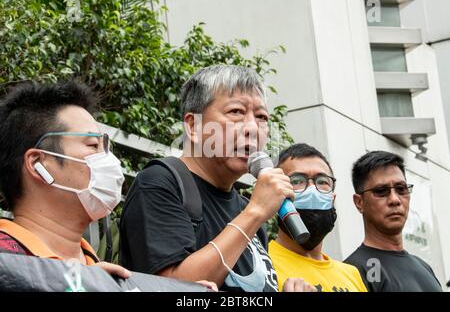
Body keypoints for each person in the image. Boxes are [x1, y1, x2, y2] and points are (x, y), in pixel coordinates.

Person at [120, 65, 316, 292]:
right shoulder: (159, 183)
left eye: (261, 117)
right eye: (236, 112)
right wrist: (255, 213)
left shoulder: (245, 207)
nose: (253, 127)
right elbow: (173, 288)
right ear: (193, 125)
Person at [0, 81, 133, 279]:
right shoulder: (6, 260)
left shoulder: (101, 270)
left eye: (105, 148)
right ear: (39, 163)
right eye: (93, 145)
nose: (109, 160)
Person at [268, 143, 367, 292]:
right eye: (297, 181)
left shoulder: (351, 274)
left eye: (322, 181)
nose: (313, 190)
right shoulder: (260, 264)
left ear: (332, 199)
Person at [344, 151, 442, 292]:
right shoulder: (354, 271)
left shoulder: (424, 267)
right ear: (359, 202)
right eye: (381, 191)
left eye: (401, 189)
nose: (394, 200)